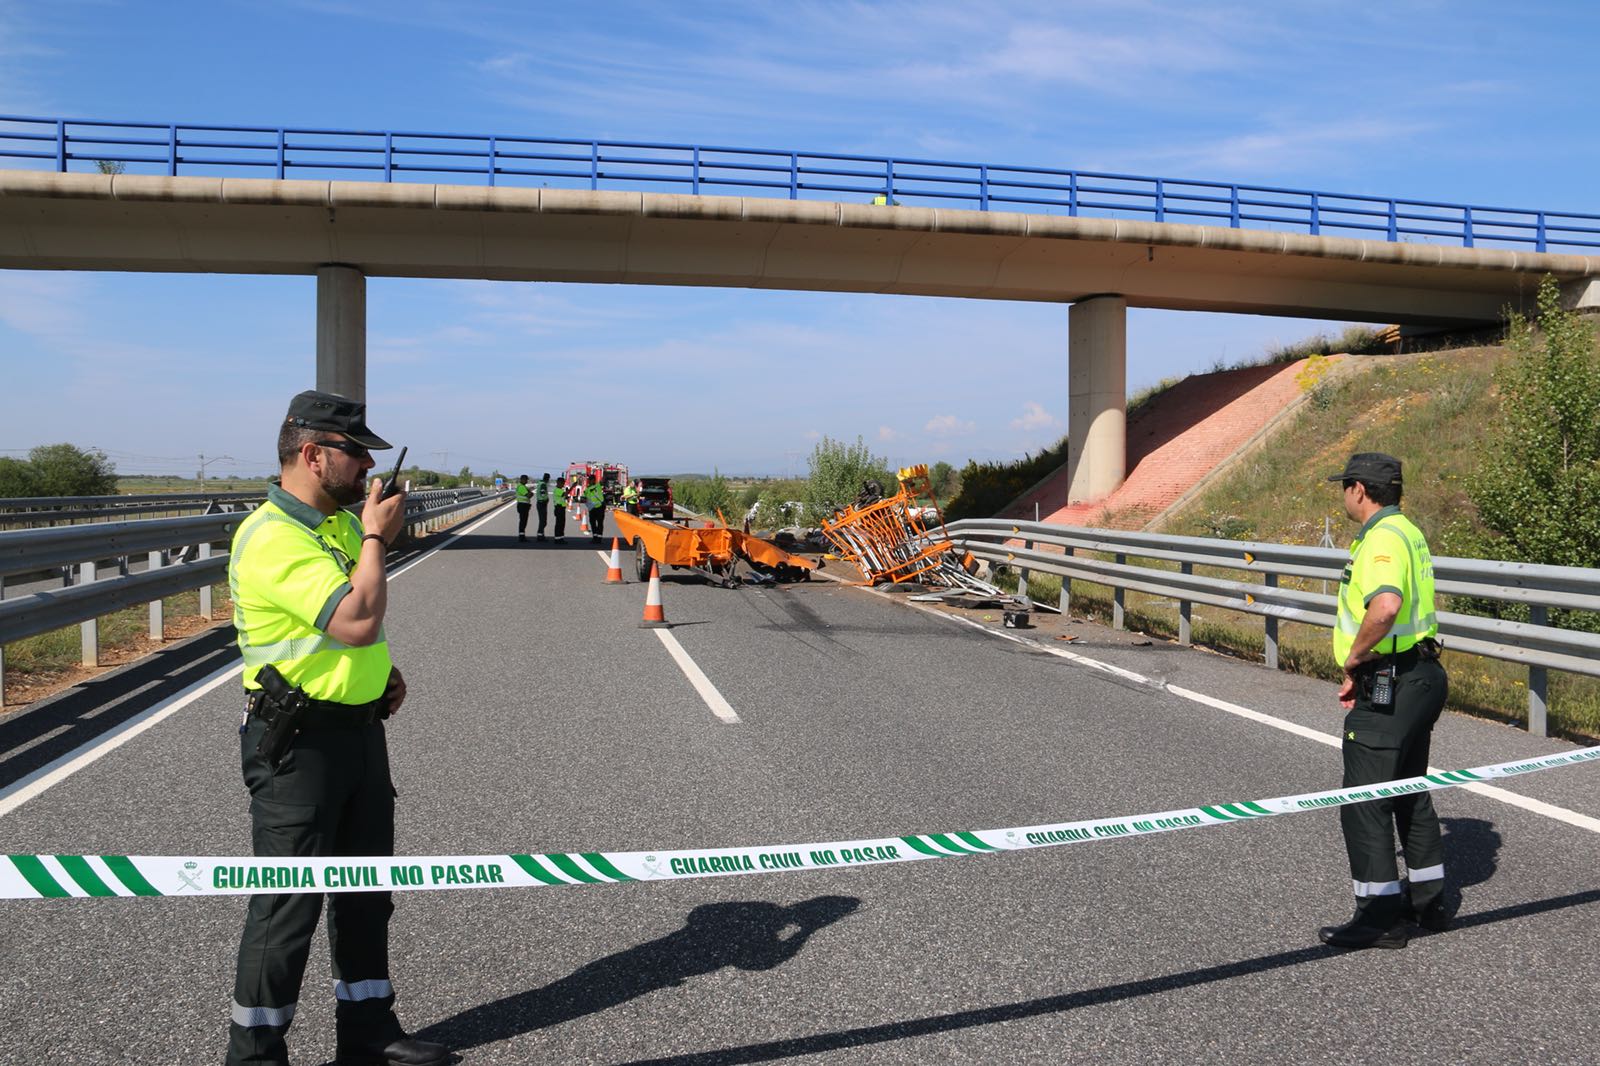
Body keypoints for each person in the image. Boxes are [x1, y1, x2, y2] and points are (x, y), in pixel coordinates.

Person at [225, 390, 449, 1066]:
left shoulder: (336, 526)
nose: (368, 469)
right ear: (313, 453)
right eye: (357, 454)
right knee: (287, 908)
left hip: (358, 732)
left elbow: (354, 626)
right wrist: (378, 533)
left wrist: (381, 675)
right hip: (298, 746)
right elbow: (354, 621)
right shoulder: (273, 536)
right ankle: (255, 1054)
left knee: (364, 895)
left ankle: (369, 1033)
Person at [1318, 452, 1450, 950]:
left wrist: (1355, 660)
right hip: (1421, 675)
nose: (1344, 494)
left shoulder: (1381, 539)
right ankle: (1429, 902)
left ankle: (1379, 917)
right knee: (1408, 791)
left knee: (1363, 801)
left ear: (1359, 490)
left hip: (1390, 680)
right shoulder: (1408, 531)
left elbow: (1386, 605)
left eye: (1345, 486)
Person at [584, 476, 606, 541]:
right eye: (590, 480)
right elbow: (585, 498)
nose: (591, 481)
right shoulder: (587, 489)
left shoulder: (598, 486)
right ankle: (595, 537)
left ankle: (599, 537)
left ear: (594, 480)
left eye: (592, 480)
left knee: (599, 523)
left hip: (599, 507)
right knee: (593, 523)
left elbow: (602, 481)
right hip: (592, 508)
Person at [514, 474, 532, 542]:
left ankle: (522, 535)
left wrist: (530, 493)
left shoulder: (524, 486)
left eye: (527, 479)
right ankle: (521, 536)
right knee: (523, 521)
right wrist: (530, 493)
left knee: (524, 521)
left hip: (524, 505)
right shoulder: (521, 487)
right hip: (522, 505)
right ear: (521, 479)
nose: (526, 481)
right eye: (525, 479)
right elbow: (529, 495)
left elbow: (530, 494)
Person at [535, 472, 552, 542]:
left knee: (542, 521)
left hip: (540, 503)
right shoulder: (543, 484)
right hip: (542, 503)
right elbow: (542, 493)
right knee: (543, 521)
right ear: (547, 478)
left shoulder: (540, 483)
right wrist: (546, 499)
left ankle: (541, 535)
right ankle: (540, 536)